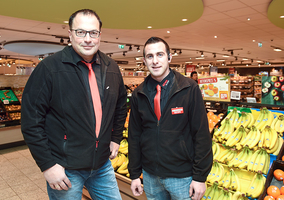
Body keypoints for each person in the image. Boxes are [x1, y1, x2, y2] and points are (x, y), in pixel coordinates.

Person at [21, 9, 127, 200]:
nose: (88, 39)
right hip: (65, 168)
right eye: (81, 32)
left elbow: (120, 105)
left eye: (93, 33)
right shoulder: (49, 68)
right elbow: (31, 122)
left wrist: (116, 137)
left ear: (100, 35)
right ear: (70, 34)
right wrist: (47, 165)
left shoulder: (111, 67)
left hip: (102, 164)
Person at [128, 37, 212, 200]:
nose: (155, 61)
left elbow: (201, 134)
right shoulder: (139, 94)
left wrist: (200, 177)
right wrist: (134, 174)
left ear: (169, 57)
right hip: (150, 176)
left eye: (160, 54)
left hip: (182, 177)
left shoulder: (188, 88)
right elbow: (134, 136)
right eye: (150, 56)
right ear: (144, 61)